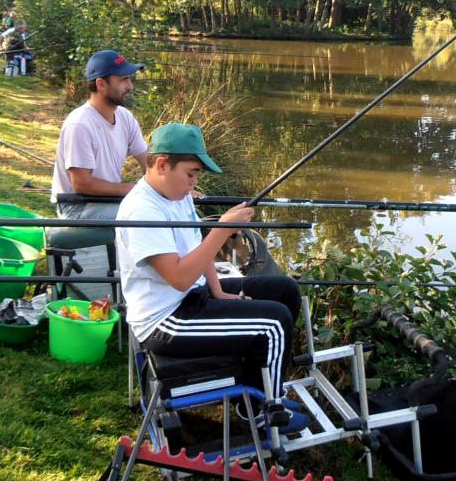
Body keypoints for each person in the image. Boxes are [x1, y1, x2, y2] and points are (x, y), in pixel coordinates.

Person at [116, 122, 301, 399]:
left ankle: (252, 388)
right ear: (163, 165)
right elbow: (179, 278)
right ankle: (269, 409)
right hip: (166, 319)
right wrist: (222, 230)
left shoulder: (178, 195)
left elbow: (196, 250)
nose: (194, 182)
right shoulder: (141, 210)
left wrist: (219, 292)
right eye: (190, 174)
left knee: (286, 291)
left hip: (196, 296)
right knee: (274, 323)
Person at [51, 49, 149, 220]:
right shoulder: (80, 124)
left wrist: (174, 188)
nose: (130, 86)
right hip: (77, 209)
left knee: (166, 210)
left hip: (108, 202)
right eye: (123, 80)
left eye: (129, 79)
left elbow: (149, 163)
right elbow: (82, 184)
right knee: (147, 216)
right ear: (101, 84)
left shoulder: (125, 117)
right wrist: (136, 189)